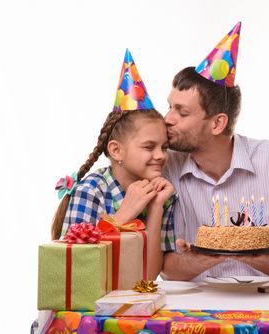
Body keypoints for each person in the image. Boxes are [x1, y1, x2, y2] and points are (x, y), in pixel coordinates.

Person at [160, 22, 269, 282]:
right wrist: (198, 260)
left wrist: (260, 260)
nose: (167, 119)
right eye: (170, 107)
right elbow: (167, 269)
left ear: (217, 123)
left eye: (181, 112)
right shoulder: (166, 165)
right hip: (196, 308)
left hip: (268, 306)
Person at [50, 49, 176, 279]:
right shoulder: (91, 191)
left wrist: (156, 207)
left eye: (164, 147)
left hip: (126, 306)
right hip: (83, 309)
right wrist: (125, 212)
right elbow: (69, 269)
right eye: (149, 147)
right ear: (116, 150)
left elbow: (148, 276)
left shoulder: (162, 196)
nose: (160, 155)